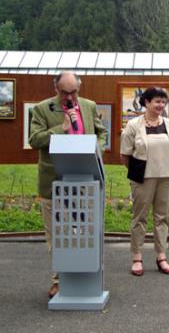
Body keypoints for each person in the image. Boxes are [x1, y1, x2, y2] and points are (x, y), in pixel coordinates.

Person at [29, 71, 107, 298]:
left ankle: (85, 276)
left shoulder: (89, 106)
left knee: (86, 230)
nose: (70, 97)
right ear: (56, 89)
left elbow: (101, 133)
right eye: (65, 92)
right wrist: (60, 128)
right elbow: (34, 140)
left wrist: (96, 148)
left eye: (74, 92)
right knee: (58, 234)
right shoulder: (43, 109)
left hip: (86, 181)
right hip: (53, 182)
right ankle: (59, 280)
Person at [120, 87, 169, 276]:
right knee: (140, 218)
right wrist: (136, 172)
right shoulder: (133, 125)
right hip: (143, 178)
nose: (161, 105)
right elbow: (125, 154)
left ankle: (161, 256)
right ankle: (137, 256)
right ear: (146, 102)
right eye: (157, 101)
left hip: (165, 176)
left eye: (163, 101)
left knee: (162, 217)